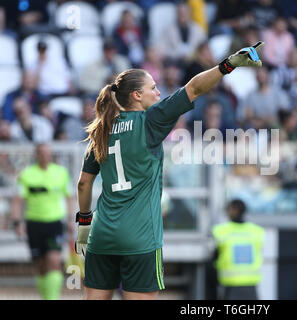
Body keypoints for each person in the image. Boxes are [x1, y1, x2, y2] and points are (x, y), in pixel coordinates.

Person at [74, 42, 265, 300]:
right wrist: (229, 64)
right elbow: (195, 88)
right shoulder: (150, 120)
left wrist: (84, 223)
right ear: (136, 96)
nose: (158, 91)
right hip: (140, 239)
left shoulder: (101, 130)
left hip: (101, 235)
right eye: (152, 87)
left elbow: (84, 183)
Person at [11, 143, 75, 300]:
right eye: (42, 153)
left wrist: (70, 219)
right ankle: (45, 296)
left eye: (48, 153)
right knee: (40, 265)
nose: (46, 156)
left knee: (54, 260)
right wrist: (17, 223)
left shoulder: (61, 173)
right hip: (34, 223)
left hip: (54, 223)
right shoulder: (27, 174)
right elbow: (18, 200)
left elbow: (69, 197)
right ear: (37, 155)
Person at [212, 199, 265, 300]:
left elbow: (214, 257)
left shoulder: (221, 231)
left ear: (233, 210)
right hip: (251, 283)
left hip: (230, 284)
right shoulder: (257, 231)